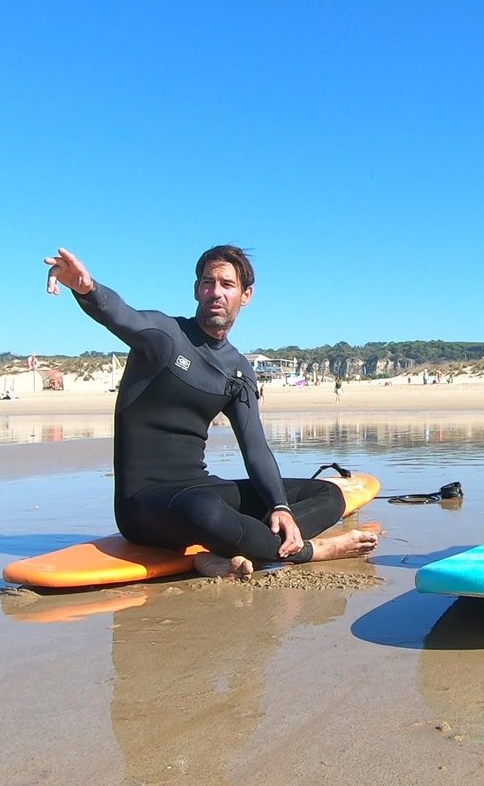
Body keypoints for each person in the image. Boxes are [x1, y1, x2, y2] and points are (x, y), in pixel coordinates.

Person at [43, 245, 378, 578]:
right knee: (206, 512)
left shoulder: (238, 371)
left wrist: (281, 507)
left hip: (199, 487)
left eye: (227, 284)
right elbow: (122, 315)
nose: (215, 292)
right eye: (208, 283)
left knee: (326, 493)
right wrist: (87, 289)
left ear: (246, 295)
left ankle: (224, 550)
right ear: (196, 290)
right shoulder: (165, 337)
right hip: (144, 505)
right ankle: (309, 550)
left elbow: (256, 449)